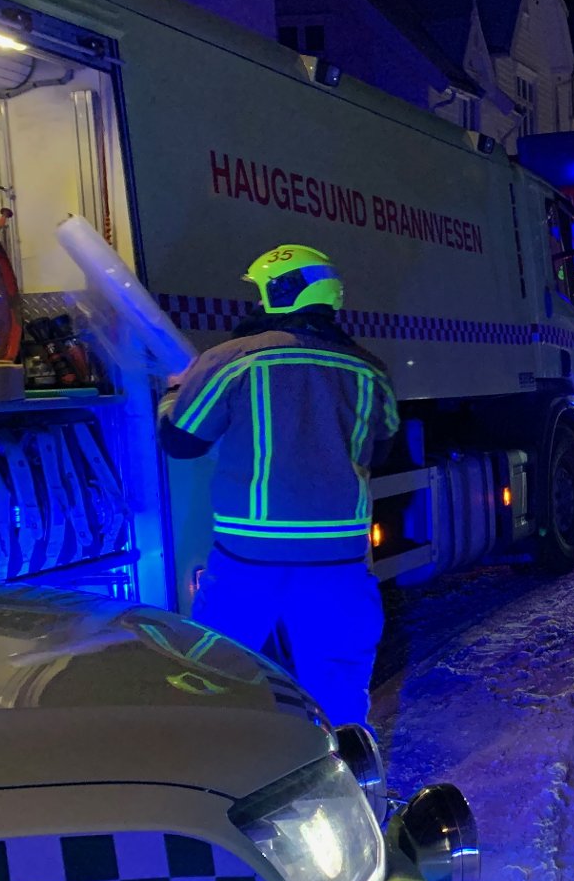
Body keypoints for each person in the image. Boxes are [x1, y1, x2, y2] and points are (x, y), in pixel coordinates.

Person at [158, 244, 400, 727]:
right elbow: (384, 448)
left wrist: (174, 391)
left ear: (278, 292)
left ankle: (234, 766)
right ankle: (347, 770)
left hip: (248, 560)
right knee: (340, 689)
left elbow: (180, 442)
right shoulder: (370, 371)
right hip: (338, 562)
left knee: (218, 678)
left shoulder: (231, 360)